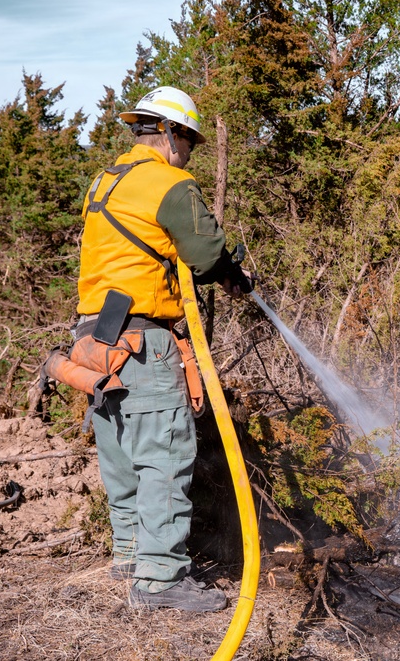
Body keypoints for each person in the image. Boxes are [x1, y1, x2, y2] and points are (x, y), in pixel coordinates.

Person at [74, 86, 250, 612]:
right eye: (189, 141)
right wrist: (233, 274)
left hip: (94, 337)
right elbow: (207, 254)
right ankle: (160, 580)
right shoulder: (169, 183)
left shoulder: (104, 181)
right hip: (142, 339)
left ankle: (130, 556)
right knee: (164, 454)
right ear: (170, 134)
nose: (190, 152)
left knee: (121, 451)